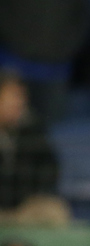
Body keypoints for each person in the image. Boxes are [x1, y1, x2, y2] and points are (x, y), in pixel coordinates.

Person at [0, 71, 70, 228]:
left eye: (21, 97)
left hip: (24, 207)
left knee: (55, 211)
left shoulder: (33, 130)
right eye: (12, 96)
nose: (19, 103)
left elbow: (50, 168)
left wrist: (28, 193)